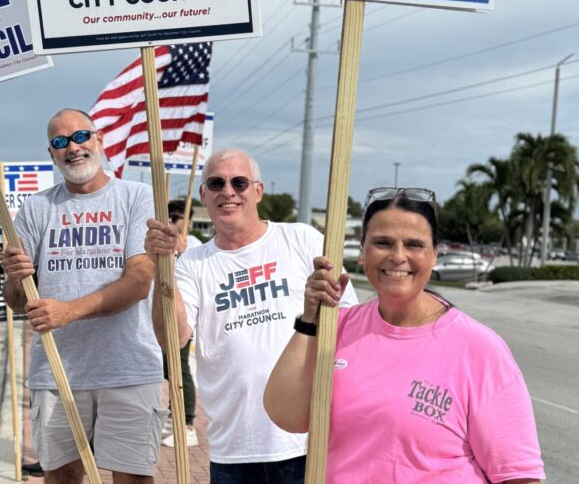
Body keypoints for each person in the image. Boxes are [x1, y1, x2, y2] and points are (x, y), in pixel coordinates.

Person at [264, 187, 545, 483]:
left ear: (434, 255)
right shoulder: (339, 327)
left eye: (414, 245)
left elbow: (518, 475)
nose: (398, 256)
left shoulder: (479, 348)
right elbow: (286, 415)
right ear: (362, 253)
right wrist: (310, 320)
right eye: (383, 243)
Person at [145, 149, 358, 483]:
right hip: (234, 449)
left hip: (305, 440)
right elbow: (171, 337)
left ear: (258, 191)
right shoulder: (191, 263)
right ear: (203, 195)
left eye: (239, 182)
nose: (228, 191)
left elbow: (348, 327)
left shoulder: (302, 239)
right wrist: (162, 267)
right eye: (216, 183)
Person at [1, 109, 164, 484]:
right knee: (62, 478)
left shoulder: (136, 196)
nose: (72, 148)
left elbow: (139, 281)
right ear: (51, 153)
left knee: (133, 478)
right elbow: (16, 299)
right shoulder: (36, 208)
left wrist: (69, 312)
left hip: (129, 367)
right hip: (56, 373)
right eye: (60, 142)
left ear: (99, 139)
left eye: (80, 137)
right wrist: (14, 277)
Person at [161, 199, 201, 448]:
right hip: (165, 313)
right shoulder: (165, 239)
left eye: (178, 217)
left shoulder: (194, 244)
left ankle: (187, 424)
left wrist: (183, 252)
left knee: (181, 367)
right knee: (167, 367)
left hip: (184, 316)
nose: (173, 221)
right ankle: (173, 412)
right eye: (170, 216)